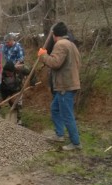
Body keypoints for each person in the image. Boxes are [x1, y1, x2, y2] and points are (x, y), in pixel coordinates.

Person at [37, 22, 82, 151]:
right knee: (55, 108)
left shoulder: (60, 45)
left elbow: (55, 63)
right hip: (68, 84)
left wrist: (43, 55)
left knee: (67, 115)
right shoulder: (72, 45)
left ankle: (76, 143)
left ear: (54, 35)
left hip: (65, 86)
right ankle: (59, 135)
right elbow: (78, 63)